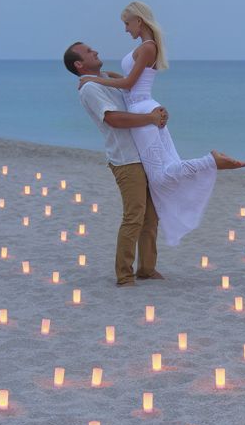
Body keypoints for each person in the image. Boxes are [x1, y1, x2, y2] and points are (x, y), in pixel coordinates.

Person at [78, 0, 245, 247]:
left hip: (144, 111)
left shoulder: (148, 47)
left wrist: (94, 80)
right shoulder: (143, 47)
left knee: (159, 178)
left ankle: (211, 161)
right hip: (142, 108)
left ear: (139, 20)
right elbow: (128, 80)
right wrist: (104, 76)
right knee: (165, 169)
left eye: (127, 23)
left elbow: (127, 85)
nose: (126, 29)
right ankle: (211, 161)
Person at [63, 41, 167, 287]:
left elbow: (136, 94)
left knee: (152, 216)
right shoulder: (89, 89)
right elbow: (113, 119)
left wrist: (157, 111)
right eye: (88, 52)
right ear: (79, 64)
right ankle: (124, 274)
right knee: (134, 216)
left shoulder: (107, 78)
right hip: (125, 160)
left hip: (144, 154)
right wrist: (150, 119)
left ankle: (147, 269)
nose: (96, 51)